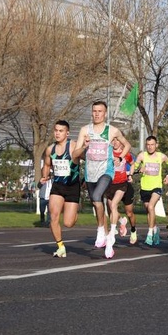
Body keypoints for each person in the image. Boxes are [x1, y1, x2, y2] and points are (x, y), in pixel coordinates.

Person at [77, 100, 131, 251]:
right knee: (96, 202)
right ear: (92, 112)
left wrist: (120, 158)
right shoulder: (84, 130)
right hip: (90, 173)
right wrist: (83, 146)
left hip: (106, 172)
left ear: (105, 113)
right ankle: (103, 230)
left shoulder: (112, 131)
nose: (97, 114)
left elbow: (127, 145)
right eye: (94, 111)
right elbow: (76, 153)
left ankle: (101, 231)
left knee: (97, 196)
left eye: (100, 111)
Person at [41, 120, 86, 258]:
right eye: (56, 130)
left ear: (67, 133)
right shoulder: (50, 149)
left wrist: (85, 179)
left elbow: (87, 159)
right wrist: (44, 176)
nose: (57, 133)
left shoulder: (73, 147)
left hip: (72, 187)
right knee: (53, 216)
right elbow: (47, 165)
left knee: (68, 223)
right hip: (58, 187)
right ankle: (60, 246)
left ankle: (74, 213)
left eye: (61, 131)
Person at [131, 136, 168, 246]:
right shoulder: (141, 156)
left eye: (152, 144)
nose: (150, 147)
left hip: (156, 187)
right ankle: (155, 230)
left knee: (151, 207)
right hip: (145, 188)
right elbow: (133, 169)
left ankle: (149, 234)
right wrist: (139, 169)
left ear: (156, 145)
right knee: (149, 211)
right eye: (148, 145)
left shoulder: (161, 156)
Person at [105, 137, 137, 243]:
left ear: (122, 142)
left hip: (123, 185)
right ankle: (121, 221)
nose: (115, 142)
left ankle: (133, 230)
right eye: (113, 140)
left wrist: (130, 175)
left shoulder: (126, 154)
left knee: (129, 212)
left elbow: (132, 164)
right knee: (111, 208)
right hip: (110, 185)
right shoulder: (107, 154)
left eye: (117, 140)